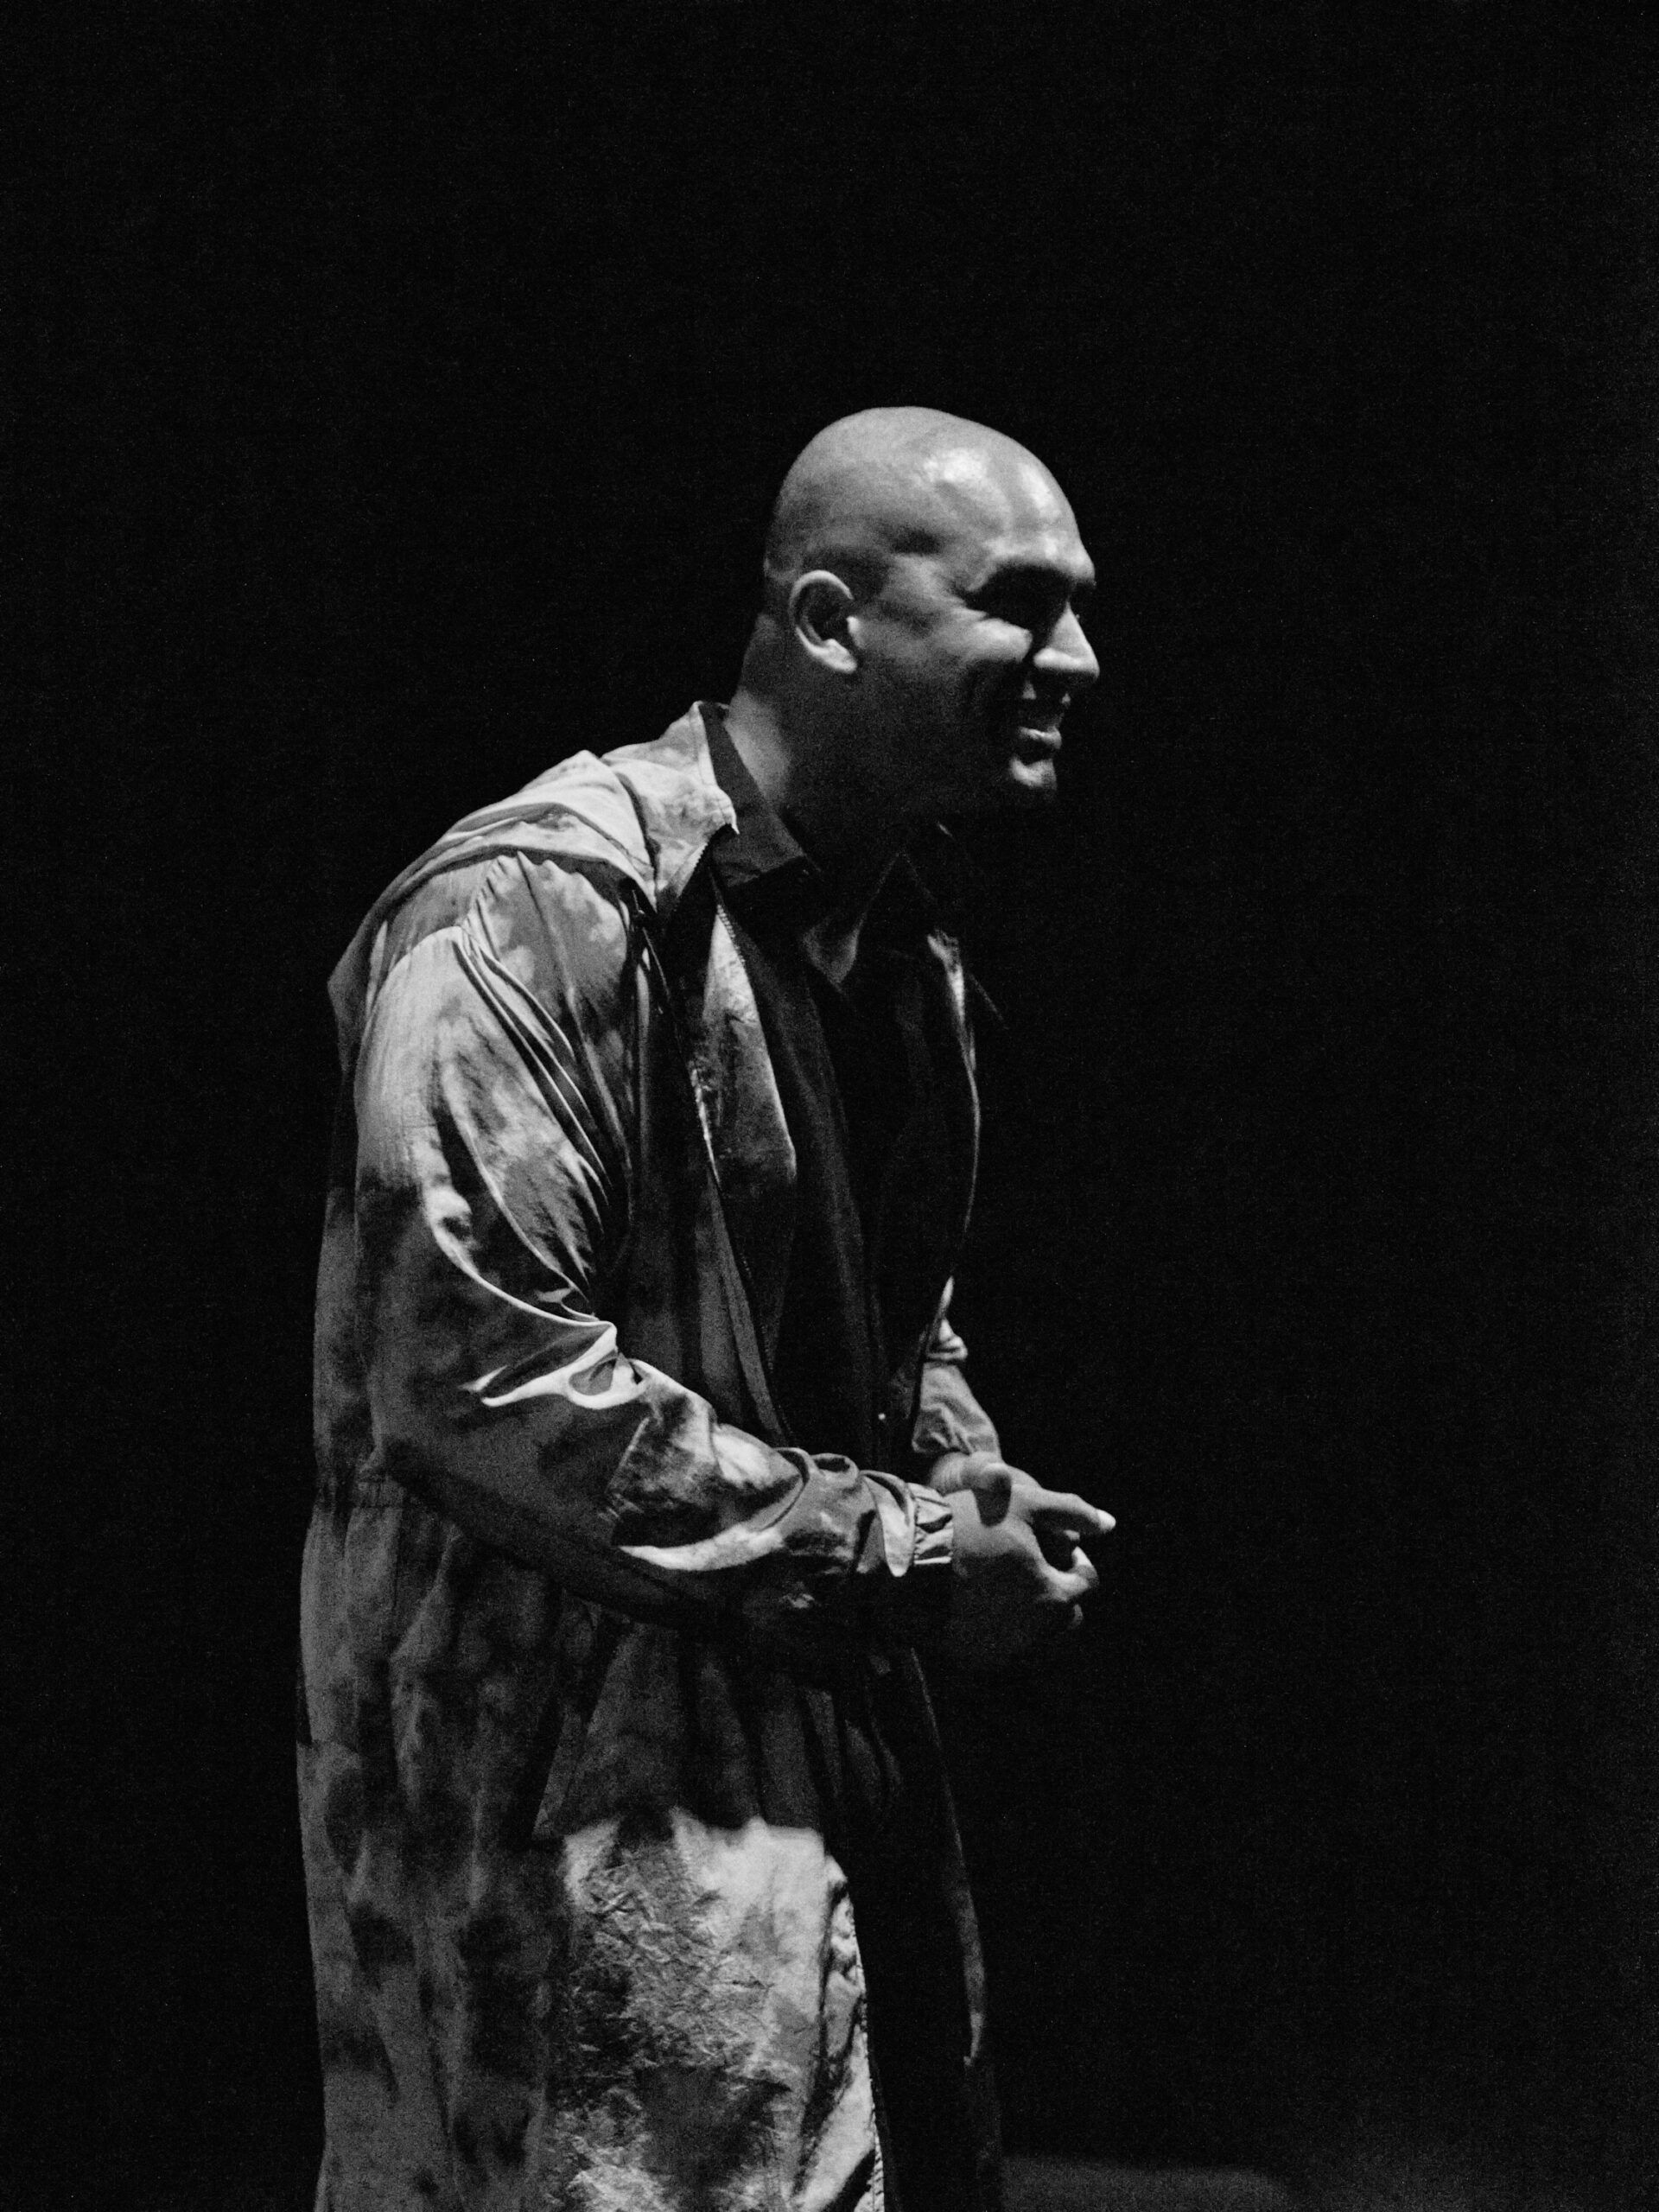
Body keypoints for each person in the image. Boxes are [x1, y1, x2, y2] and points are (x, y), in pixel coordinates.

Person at [297, 405, 1114, 2212]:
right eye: (1019, 603)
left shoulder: (901, 955)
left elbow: (879, 1322)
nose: (1077, 660)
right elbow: (474, 1374)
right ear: (830, 621)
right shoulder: (544, 903)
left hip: (810, 1814)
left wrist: (957, 1463)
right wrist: (907, 1555)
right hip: (565, 1852)